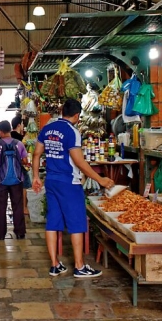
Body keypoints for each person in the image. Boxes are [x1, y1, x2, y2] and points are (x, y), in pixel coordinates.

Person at [32, 99, 114, 278]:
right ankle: (79, 266)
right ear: (77, 115)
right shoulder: (72, 131)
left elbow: (36, 154)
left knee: (52, 222)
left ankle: (55, 265)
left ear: (62, 112)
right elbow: (79, 161)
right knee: (77, 223)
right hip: (69, 182)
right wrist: (100, 179)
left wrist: (36, 177)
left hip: (51, 181)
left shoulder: (47, 128)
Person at [0, 121, 28, 240]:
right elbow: (25, 161)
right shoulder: (19, 144)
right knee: (18, 206)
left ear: (0, 131)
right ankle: (20, 232)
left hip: (1, 180)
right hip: (17, 180)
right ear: (10, 130)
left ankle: (0, 234)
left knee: (1, 207)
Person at [11, 115, 32, 216]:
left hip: (11, 165)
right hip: (20, 165)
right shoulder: (21, 139)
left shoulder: (9, 136)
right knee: (25, 185)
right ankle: (24, 207)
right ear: (19, 125)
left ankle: (17, 207)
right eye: (23, 124)